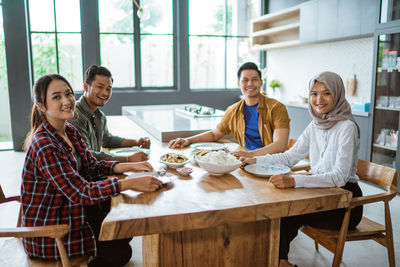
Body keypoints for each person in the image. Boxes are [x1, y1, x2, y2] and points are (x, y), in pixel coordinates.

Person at [21, 74, 163, 267]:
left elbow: (92, 165)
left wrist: (129, 165)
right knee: (120, 252)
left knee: (123, 228)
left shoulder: (68, 130)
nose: (66, 101)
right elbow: (82, 192)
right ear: (42, 106)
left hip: (72, 210)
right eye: (56, 97)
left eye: (68, 94)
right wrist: (128, 183)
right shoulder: (45, 145)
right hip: (53, 230)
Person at [241, 71, 363, 267]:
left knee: (284, 215)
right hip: (319, 192)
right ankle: (281, 262)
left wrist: (294, 180)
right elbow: (290, 157)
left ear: (337, 94)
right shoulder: (316, 125)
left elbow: (339, 178)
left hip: (345, 202)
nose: (319, 99)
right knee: (279, 213)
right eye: (314, 93)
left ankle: (279, 262)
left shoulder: (347, 127)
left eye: (326, 93)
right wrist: (254, 159)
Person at [168, 62, 290, 157]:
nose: (250, 84)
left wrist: (250, 155)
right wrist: (188, 140)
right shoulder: (233, 110)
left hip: (271, 163)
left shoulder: (277, 108)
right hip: (245, 160)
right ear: (239, 84)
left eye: (254, 79)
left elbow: (280, 145)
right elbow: (214, 134)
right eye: (245, 80)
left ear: (261, 82)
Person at [69, 65, 150, 162]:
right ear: (86, 87)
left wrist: (137, 142)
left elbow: (107, 140)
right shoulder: (75, 115)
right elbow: (86, 154)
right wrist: (128, 159)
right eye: (100, 87)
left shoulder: (100, 116)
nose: (105, 93)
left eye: (108, 89)